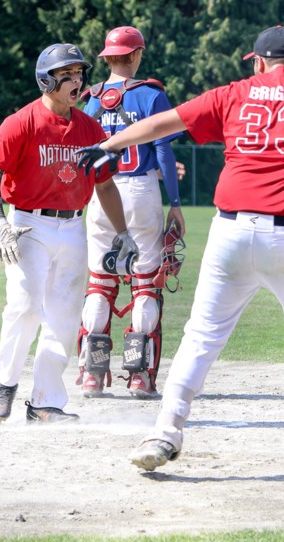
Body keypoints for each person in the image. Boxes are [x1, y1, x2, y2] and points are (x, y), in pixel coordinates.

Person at [76, 23, 284, 482]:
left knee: (201, 337)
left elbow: (167, 121)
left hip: (232, 233)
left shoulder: (236, 93)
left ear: (258, 62)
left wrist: (108, 143)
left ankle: (165, 432)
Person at [0, 43, 139, 424]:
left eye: (79, 73)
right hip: (28, 225)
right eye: (66, 74)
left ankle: (46, 402)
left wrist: (124, 233)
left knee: (65, 316)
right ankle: (5, 382)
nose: (77, 80)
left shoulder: (89, 127)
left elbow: (104, 185)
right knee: (25, 303)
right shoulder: (22, 122)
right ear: (45, 80)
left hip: (72, 226)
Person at [76, 26, 185, 400]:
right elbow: (165, 153)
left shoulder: (90, 99)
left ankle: (92, 373)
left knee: (99, 284)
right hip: (141, 192)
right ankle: (139, 376)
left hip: (102, 195)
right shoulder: (151, 95)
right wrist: (175, 202)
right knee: (145, 283)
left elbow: (86, 159)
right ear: (136, 54)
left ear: (107, 58)